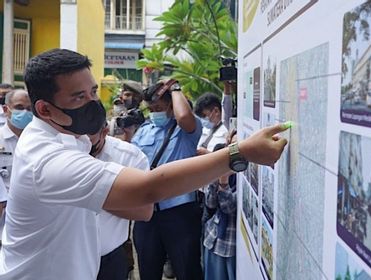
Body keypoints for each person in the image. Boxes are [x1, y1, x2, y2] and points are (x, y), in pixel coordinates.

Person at [0, 48, 287, 280]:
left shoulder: (68, 137)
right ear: (45, 109)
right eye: (79, 97)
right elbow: (148, 188)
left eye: (93, 92)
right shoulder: (46, 158)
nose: (92, 103)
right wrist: (241, 153)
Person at [131, 80, 203, 280]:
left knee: (187, 271)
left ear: (172, 105)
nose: (155, 112)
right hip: (147, 214)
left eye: (159, 108)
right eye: (151, 109)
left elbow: (184, 116)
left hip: (179, 214)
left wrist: (175, 89)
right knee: (148, 271)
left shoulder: (185, 130)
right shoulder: (145, 130)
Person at [88, 123, 152, 280]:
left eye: (88, 141)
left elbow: (144, 211)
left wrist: (92, 195)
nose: (81, 146)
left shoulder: (129, 157)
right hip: (67, 257)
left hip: (110, 257)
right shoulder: (62, 151)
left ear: (104, 132)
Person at [203, 143, 237, 280]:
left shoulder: (243, 175)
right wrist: (215, 176)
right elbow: (210, 204)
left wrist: (224, 183)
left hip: (228, 243)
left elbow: (228, 208)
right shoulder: (222, 171)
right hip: (212, 236)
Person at [0, 89, 33, 191]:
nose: (25, 112)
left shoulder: (38, 140)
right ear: (6, 110)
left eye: (29, 109)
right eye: (19, 107)